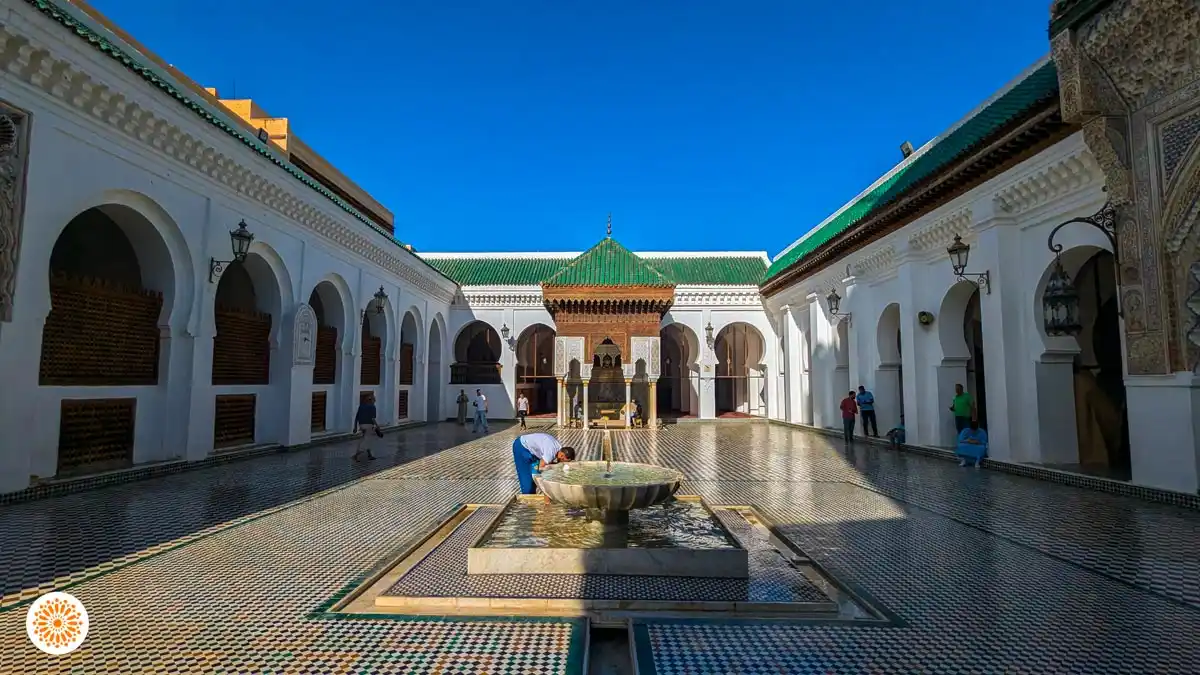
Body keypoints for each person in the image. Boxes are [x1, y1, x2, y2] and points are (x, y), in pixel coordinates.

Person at [511, 432, 576, 495]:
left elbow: (547, 463)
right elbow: (540, 468)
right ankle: (527, 500)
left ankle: (532, 496)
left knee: (533, 478)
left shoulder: (558, 448)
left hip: (532, 451)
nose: (563, 463)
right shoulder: (551, 453)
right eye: (564, 461)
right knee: (527, 479)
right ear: (562, 455)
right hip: (521, 447)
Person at [352, 393, 379, 461]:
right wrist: (377, 426)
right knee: (366, 440)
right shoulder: (372, 407)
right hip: (369, 425)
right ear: (371, 400)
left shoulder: (361, 406)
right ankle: (357, 454)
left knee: (366, 439)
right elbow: (373, 418)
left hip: (361, 425)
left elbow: (356, 417)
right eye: (374, 399)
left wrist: (355, 427)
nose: (375, 400)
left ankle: (369, 455)